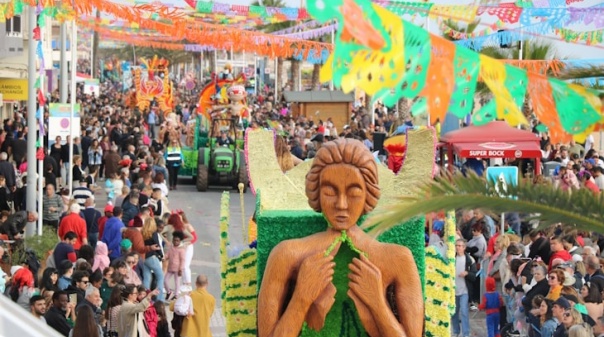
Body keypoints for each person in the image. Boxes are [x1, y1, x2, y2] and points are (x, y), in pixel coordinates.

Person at [257, 138, 423, 337]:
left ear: (368, 194)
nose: (341, 204)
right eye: (329, 192)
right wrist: (301, 298)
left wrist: (377, 304)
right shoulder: (286, 255)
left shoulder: (398, 259)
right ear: (316, 192)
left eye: (353, 193)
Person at [452, 239, 477, 337]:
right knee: (454, 312)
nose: (457, 247)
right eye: (456, 245)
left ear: (464, 247)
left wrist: (467, 273)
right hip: (454, 290)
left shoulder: (470, 259)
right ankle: (456, 331)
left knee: (464, 311)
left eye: (459, 245)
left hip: (465, 290)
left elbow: (474, 275)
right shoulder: (452, 258)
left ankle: (466, 333)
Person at [164, 231, 185, 298]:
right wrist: (164, 257)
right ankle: (168, 292)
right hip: (170, 267)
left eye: (177, 241)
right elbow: (168, 254)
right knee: (165, 280)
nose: (175, 242)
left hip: (177, 269)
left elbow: (182, 260)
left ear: (180, 241)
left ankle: (176, 295)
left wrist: (181, 269)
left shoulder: (181, 250)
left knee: (177, 282)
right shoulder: (171, 247)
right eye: (174, 240)